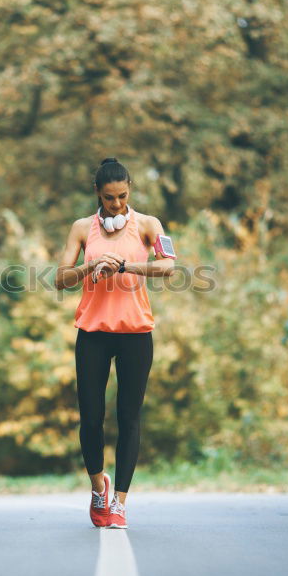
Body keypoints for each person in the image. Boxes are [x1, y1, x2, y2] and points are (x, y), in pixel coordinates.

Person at [54, 157, 175, 529]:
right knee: (91, 418)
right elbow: (60, 279)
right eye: (109, 199)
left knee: (129, 417)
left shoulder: (148, 225)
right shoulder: (81, 229)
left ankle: (120, 502)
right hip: (93, 334)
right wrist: (91, 267)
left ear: (130, 191)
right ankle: (97, 489)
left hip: (136, 335)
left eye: (122, 197)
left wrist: (124, 266)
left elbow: (168, 267)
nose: (117, 205)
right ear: (97, 194)